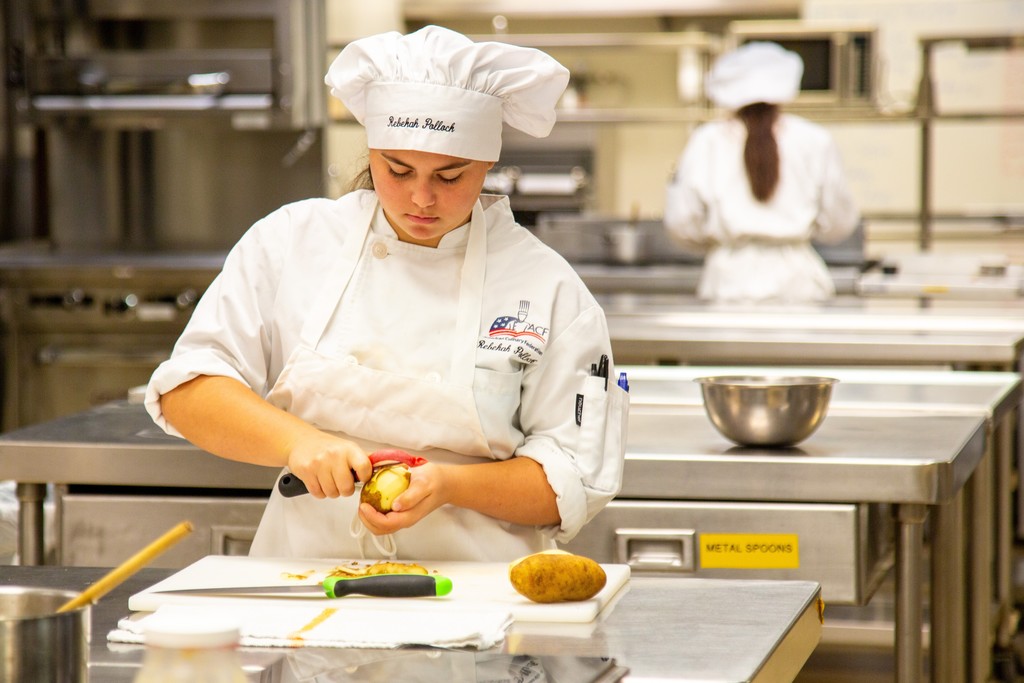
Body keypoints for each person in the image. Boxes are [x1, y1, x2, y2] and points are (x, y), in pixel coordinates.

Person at [145, 25, 628, 562]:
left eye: (450, 175)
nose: (422, 198)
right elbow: (188, 390)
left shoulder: (546, 287)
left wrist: (447, 486)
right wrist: (298, 442)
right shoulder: (292, 242)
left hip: (476, 595)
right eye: (397, 170)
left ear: (488, 164)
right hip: (303, 580)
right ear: (371, 152)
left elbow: (572, 481)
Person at [664, 41, 860, 304]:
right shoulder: (814, 139)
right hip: (797, 281)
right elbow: (838, 220)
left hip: (729, 280)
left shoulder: (707, 140)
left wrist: (720, 242)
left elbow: (682, 221)